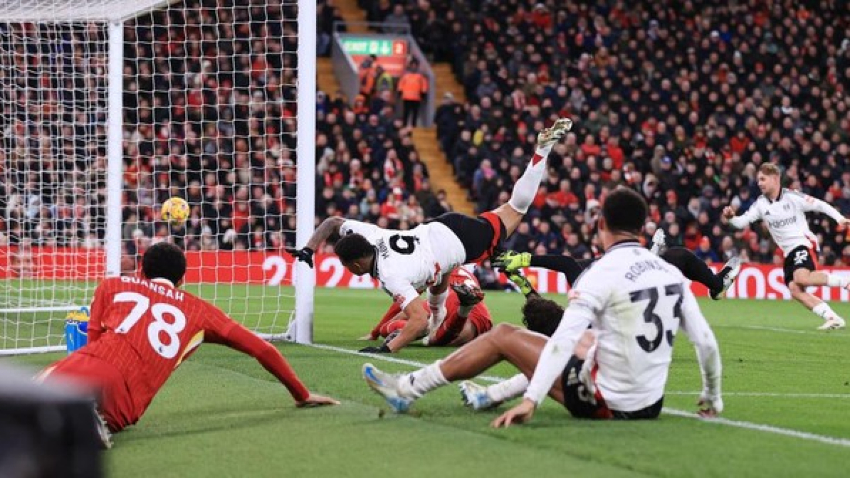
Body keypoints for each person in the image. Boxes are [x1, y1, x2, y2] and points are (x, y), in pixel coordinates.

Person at [361, 187, 723, 426]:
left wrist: (532, 401)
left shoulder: (600, 273)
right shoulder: (667, 272)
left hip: (607, 403)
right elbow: (705, 342)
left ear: (601, 225)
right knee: (589, 343)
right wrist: (711, 395)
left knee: (505, 335)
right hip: (651, 402)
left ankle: (407, 388)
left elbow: (561, 342)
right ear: (642, 228)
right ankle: (490, 395)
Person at [294, 118, 572, 353]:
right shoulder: (371, 234)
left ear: (354, 265)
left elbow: (417, 320)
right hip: (441, 227)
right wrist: (308, 249)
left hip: (463, 243)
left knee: (517, 208)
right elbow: (332, 222)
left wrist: (385, 348)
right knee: (440, 277)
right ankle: (443, 320)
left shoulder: (391, 275)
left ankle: (542, 151)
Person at [39, 243, 338, 447]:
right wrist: (301, 393)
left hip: (87, 363)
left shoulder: (113, 284)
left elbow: (92, 340)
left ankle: (74, 414)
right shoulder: (201, 312)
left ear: (141, 270)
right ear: (182, 279)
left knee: (23, 405)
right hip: (127, 400)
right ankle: (85, 423)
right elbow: (263, 349)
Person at [722, 163, 850, 330]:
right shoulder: (760, 204)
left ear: (775, 179)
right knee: (795, 290)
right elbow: (741, 223)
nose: (759, 183)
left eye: (763, 179)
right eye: (758, 180)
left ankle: (846, 282)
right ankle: (832, 317)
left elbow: (820, 205)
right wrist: (731, 217)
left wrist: (839, 218)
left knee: (801, 278)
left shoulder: (792, 197)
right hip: (788, 252)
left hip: (803, 243)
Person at [360, 267, 492, 352]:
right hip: (471, 308)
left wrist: (375, 333)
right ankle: (426, 331)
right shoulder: (460, 266)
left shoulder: (432, 266)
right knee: (445, 339)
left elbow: (405, 300)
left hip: (452, 304)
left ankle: (420, 330)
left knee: (388, 327)